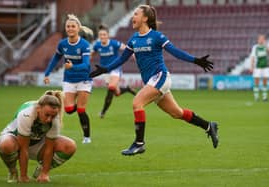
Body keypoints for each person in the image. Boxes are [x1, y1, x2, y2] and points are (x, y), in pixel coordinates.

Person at [90, 4, 219, 156]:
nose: (133, 17)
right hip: (151, 82)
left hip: (160, 77)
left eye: (136, 14)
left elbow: (176, 52)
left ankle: (139, 143)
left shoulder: (157, 36)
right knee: (177, 113)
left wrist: (196, 60)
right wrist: (105, 69)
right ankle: (209, 126)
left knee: (137, 102)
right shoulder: (134, 40)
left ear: (145, 18)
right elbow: (121, 59)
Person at [0, 90, 76, 183]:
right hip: (16, 142)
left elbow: (49, 148)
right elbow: (24, 148)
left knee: (70, 146)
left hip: (37, 143)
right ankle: (12, 171)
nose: (49, 119)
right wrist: (24, 176)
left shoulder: (55, 119)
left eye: (52, 116)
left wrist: (45, 173)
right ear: (38, 108)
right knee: (6, 145)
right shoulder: (27, 114)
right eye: (47, 115)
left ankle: (41, 171)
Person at [44, 14, 93, 143]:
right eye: (68, 26)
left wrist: (73, 66)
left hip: (84, 79)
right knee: (69, 109)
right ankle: (79, 103)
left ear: (78, 28)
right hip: (69, 80)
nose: (70, 28)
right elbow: (56, 58)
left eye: (73, 26)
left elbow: (86, 65)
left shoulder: (84, 45)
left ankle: (87, 137)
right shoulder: (62, 44)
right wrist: (47, 73)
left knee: (81, 110)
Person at [91, 24, 136, 118]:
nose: (102, 36)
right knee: (117, 93)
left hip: (115, 68)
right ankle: (127, 88)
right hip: (105, 70)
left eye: (104, 34)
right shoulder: (97, 45)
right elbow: (92, 54)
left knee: (111, 87)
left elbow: (126, 48)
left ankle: (103, 112)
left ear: (108, 35)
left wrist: (133, 55)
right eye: (101, 35)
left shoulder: (114, 43)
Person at [249, 34, 269, 101]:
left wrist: (265, 45)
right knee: (256, 81)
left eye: (262, 39)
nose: (261, 40)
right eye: (260, 39)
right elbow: (253, 57)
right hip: (257, 67)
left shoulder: (266, 46)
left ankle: (264, 97)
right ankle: (256, 97)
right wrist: (252, 66)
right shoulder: (255, 47)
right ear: (258, 40)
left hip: (265, 66)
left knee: (265, 81)